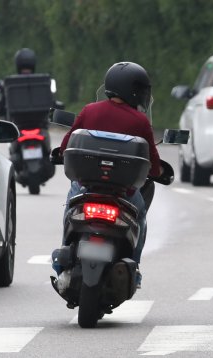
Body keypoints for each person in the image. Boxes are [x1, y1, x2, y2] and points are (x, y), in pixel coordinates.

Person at [54, 62, 162, 287]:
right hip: (124, 194)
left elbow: (66, 147)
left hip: (85, 188)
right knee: (139, 217)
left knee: (70, 211)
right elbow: (152, 164)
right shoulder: (140, 121)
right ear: (133, 91)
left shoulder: (89, 111)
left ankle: (63, 259)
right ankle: (135, 267)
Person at [0, 48, 37, 118]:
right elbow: (51, 104)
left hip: (16, 122)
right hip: (38, 121)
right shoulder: (44, 81)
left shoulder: (10, 83)